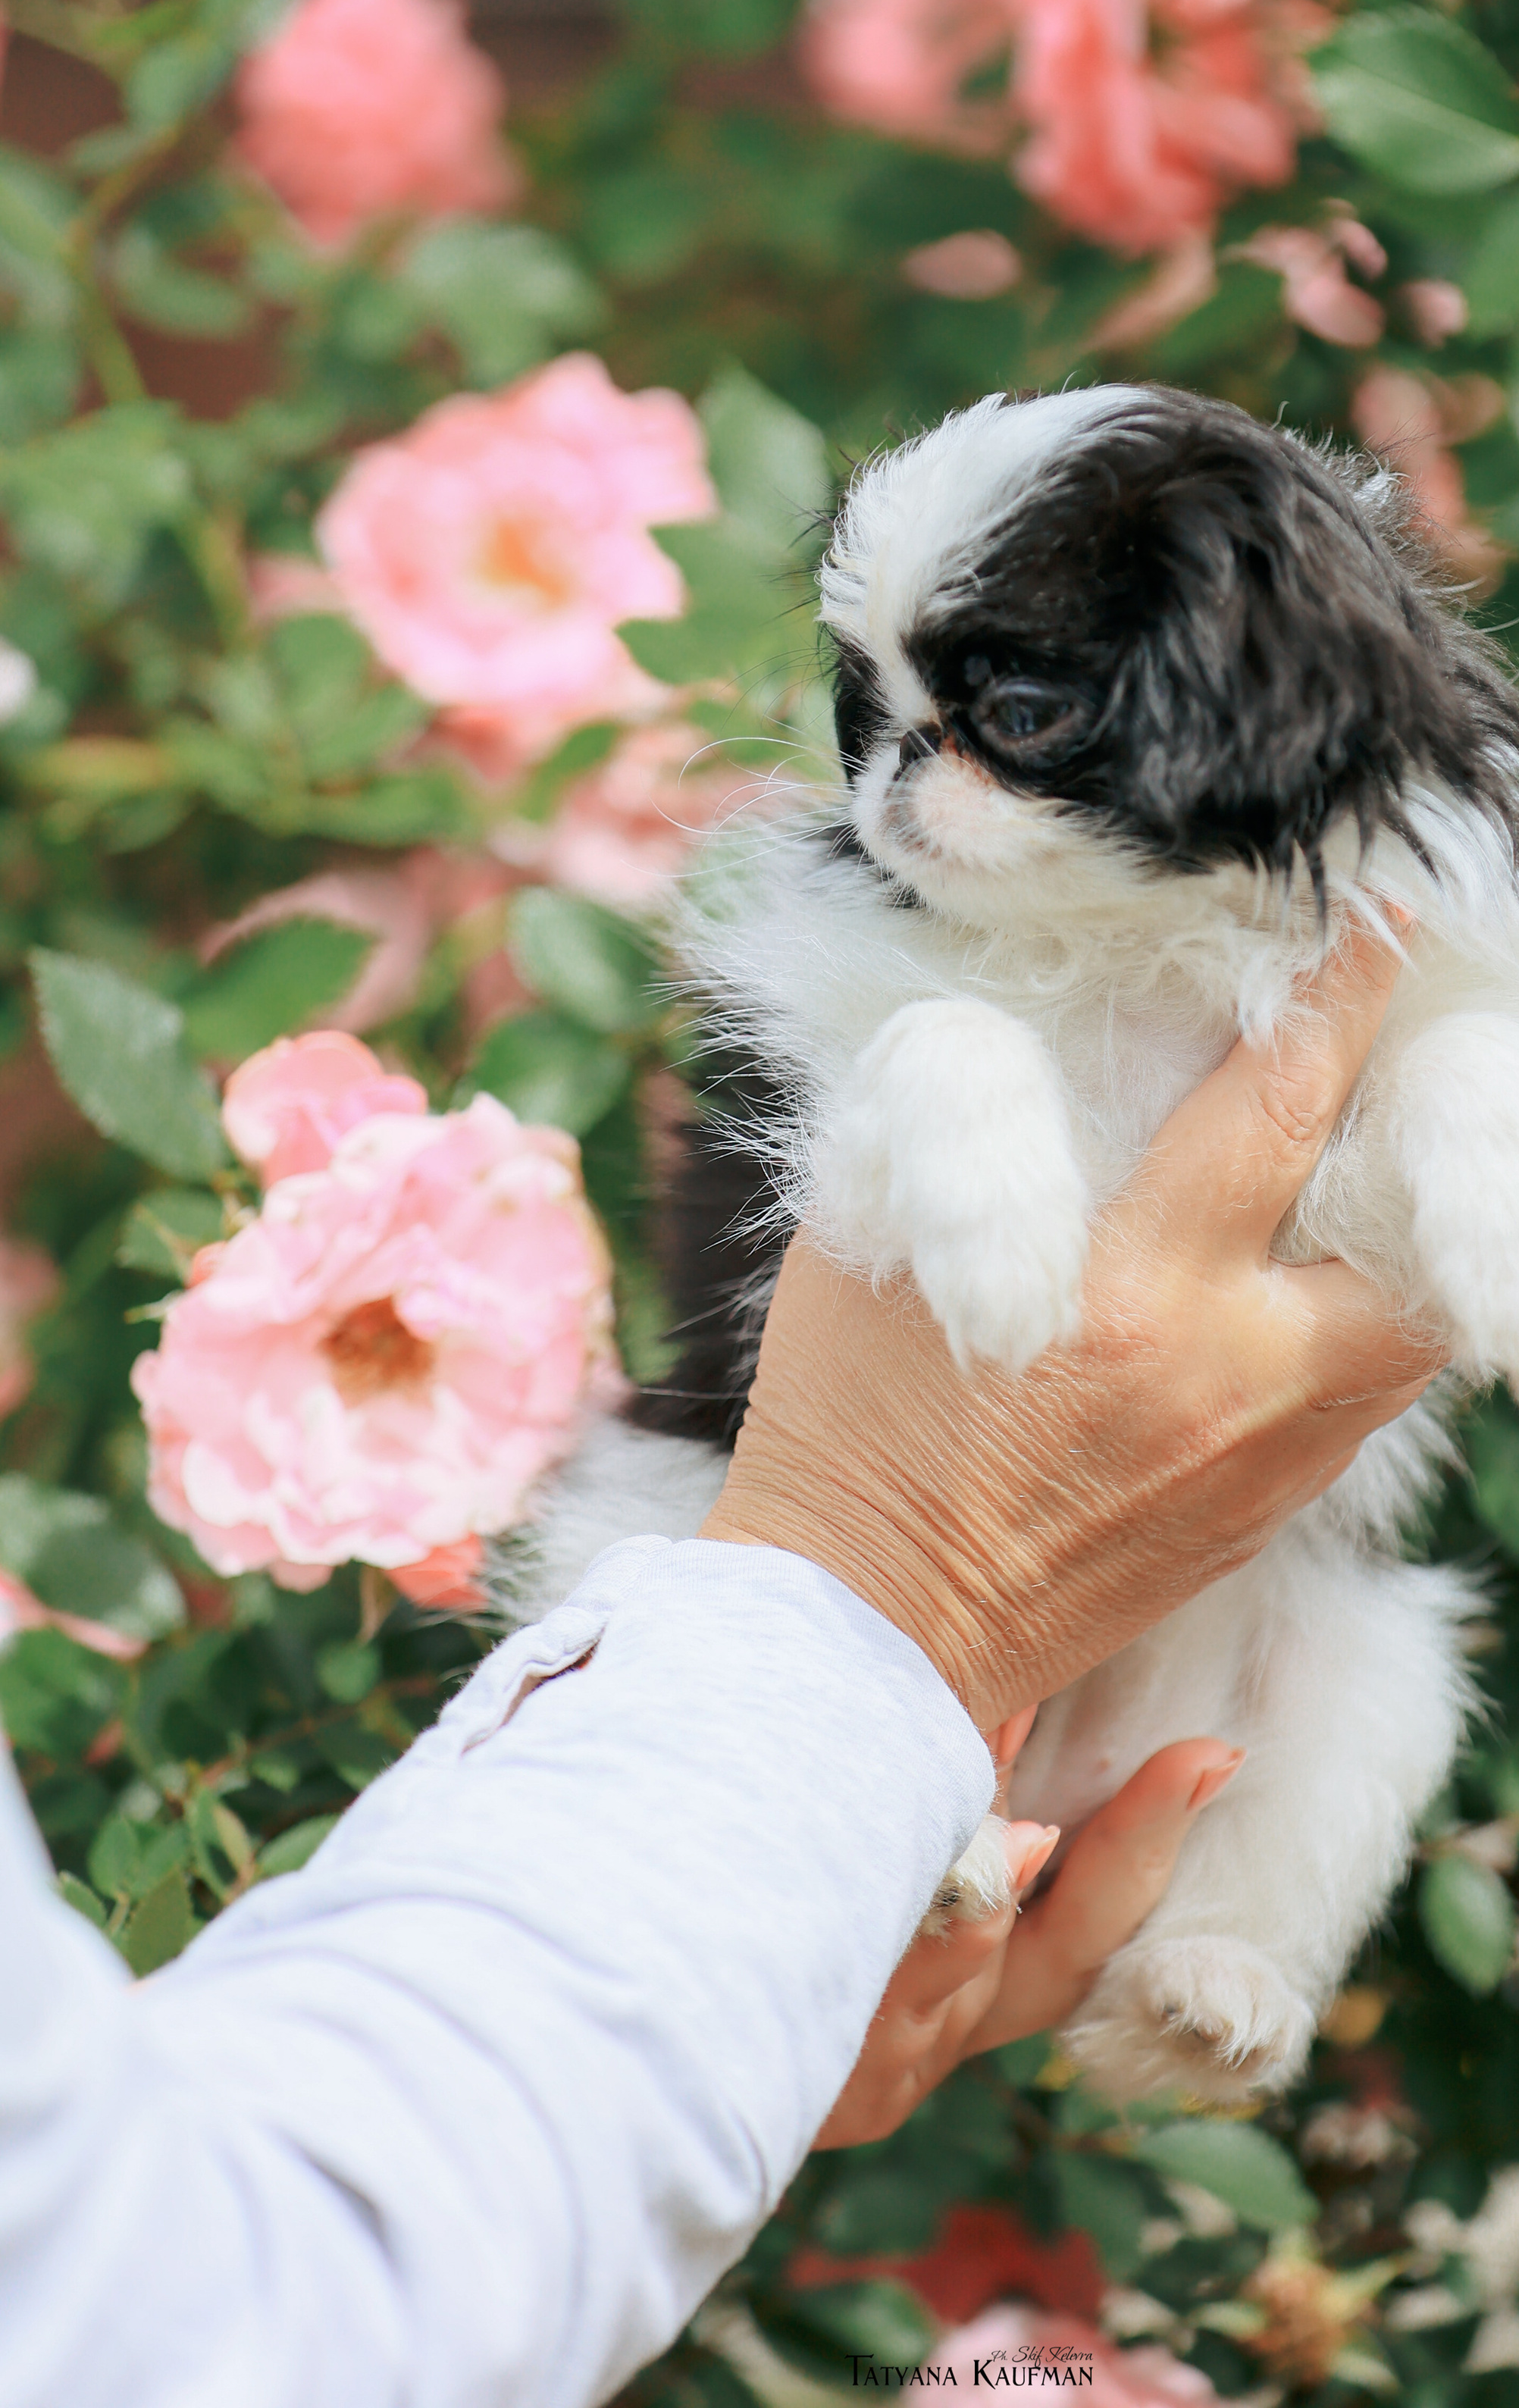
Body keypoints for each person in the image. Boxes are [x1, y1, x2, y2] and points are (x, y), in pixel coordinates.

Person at [1, 928, 1441, 2408]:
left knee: (1376, 1668)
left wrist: (758, 1951)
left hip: (933, 1717)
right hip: (807, 1598)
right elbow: (189, 2308)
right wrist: (883, 1625)